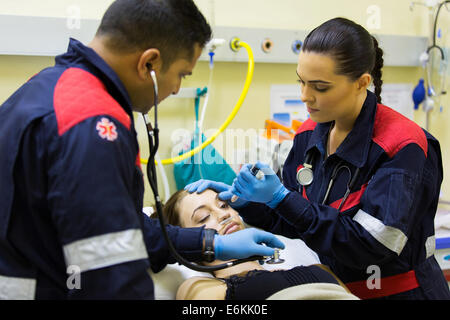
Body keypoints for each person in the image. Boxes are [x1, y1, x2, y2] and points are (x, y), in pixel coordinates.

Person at [0, 0, 284, 300]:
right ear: (149, 63)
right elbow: (112, 267)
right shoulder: (92, 123)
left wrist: (211, 243)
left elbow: (125, 228)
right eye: (182, 75)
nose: (176, 89)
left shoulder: (46, 88)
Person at [186, 17, 450, 300]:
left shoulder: (403, 145)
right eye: (301, 82)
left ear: (362, 83)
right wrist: (247, 202)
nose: (304, 96)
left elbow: (371, 246)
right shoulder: (309, 134)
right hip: (336, 287)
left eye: (320, 87)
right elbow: (294, 221)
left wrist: (282, 198)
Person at [152, 188, 358, 300]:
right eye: (204, 217)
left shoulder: (318, 268)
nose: (224, 213)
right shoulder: (199, 289)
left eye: (224, 205)